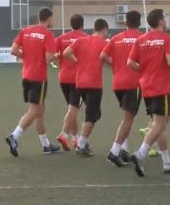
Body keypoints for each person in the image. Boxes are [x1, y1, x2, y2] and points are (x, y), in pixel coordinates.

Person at [128, 9, 170, 176]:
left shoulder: (141, 39)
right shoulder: (168, 39)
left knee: (158, 124)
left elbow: (130, 62)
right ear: (161, 21)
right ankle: (141, 154)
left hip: (146, 86)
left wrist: (143, 71)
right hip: (161, 86)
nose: (166, 20)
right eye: (164, 18)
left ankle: (167, 162)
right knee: (159, 124)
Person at [5, 7, 61, 157]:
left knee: (39, 111)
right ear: (49, 18)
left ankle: (46, 145)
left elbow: (13, 50)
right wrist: (56, 55)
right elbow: (49, 58)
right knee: (34, 111)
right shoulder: (48, 34)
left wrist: (26, 56)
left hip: (26, 76)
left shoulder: (26, 31)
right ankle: (14, 136)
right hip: (38, 78)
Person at [100, 11, 142, 167]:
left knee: (126, 117)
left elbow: (102, 56)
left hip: (118, 83)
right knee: (128, 119)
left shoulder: (117, 38)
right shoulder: (142, 38)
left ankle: (123, 149)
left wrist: (115, 66)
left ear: (125, 22)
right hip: (133, 83)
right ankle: (114, 151)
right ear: (139, 22)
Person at [63, 19, 109, 156]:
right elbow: (108, 59)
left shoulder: (81, 40)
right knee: (92, 116)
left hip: (80, 83)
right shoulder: (104, 43)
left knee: (93, 113)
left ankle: (83, 141)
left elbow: (66, 53)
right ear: (105, 29)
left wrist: (78, 62)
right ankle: (81, 144)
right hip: (94, 84)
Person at [56, 14, 87, 151]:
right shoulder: (86, 38)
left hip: (63, 78)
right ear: (82, 24)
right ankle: (64, 133)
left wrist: (56, 59)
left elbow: (54, 54)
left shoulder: (61, 38)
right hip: (77, 78)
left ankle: (75, 138)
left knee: (72, 108)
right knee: (74, 108)